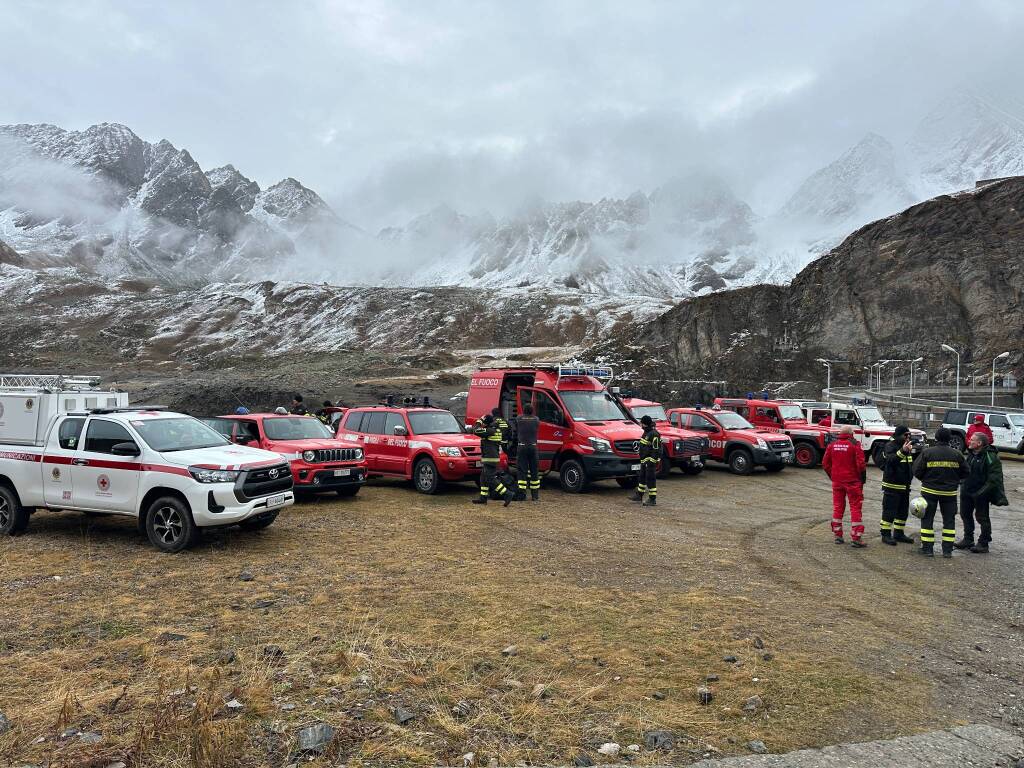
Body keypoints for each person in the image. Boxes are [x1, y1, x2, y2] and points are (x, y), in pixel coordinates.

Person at [913, 428, 968, 558]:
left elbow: (916, 470)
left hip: (929, 492)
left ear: (936, 438)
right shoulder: (957, 454)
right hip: (949, 494)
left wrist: (926, 480)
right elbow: (966, 472)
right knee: (949, 521)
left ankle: (927, 549)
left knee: (927, 520)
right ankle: (947, 551)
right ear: (949, 439)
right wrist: (954, 481)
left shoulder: (927, 452)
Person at [955, 432, 1007, 553]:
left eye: (972, 440)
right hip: (966, 492)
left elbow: (994, 479)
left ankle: (984, 543)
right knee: (965, 514)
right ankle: (968, 539)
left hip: (981, 494)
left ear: (979, 443)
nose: (969, 441)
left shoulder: (990, 456)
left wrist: (980, 493)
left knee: (982, 518)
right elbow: (965, 470)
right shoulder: (971, 454)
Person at [822, 424, 867, 547]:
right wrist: (862, 479)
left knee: (838, 507)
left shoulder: (832, 445)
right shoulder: (854, 444)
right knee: (855, 508)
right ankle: (856, 538)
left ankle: (838, 535)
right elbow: (861, 464)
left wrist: (833, 476)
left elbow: (825, 464)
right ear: (851, 434)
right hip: (852, 482)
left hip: (837, 482)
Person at [879, 425, 915, 545]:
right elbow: (890, 461)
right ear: (898, 435)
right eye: (906, 435)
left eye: (909, 435)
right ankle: (886, 534)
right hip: (892, 486)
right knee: (889, 511)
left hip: (905, 487)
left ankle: (899, 533)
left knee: (902, 512)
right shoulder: (890, 446)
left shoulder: (906, 446)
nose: (908, 437)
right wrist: (902, 452)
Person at [472, 414, 513, 506]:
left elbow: (475, 430)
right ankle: (483, 498)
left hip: (490, 458)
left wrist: (479, 421)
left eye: (484, 423)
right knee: (483, 478)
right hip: (491, 457)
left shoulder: (490, 430)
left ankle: (507, 494)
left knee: (490, 479)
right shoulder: (495, 429)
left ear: (486, 423)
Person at [632, 415, 661, 507]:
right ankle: (639, 495)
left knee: (650, 479)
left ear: (644, 423)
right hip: (644, 461)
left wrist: (652, 461)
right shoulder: (646, 432)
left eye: (642, 423)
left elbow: (656, 449)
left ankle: (652, 499)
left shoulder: (654, 434)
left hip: (650, 462)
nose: (640, 424)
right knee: (642, 478)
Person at [515, 403, 541, 501]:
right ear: (532, 411)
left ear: (524, 410)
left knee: (522, 471)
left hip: (522, 447)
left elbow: (516, 425)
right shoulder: (536, 419)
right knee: (534, 471)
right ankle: (535, 496)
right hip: (533, 447)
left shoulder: (519, 418)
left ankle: (522, 495)